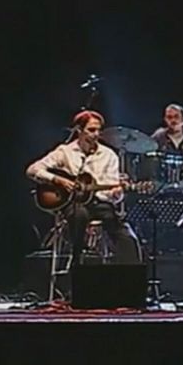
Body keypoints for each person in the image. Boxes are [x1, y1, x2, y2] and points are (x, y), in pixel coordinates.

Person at [26, 110, 142, 266]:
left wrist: (116, 194)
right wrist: (58, 180)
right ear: (79, 130)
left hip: (100, 204)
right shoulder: (65, 152)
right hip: (73, 204)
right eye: (91, 130)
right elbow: (32, 170)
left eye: (98, 130)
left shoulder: (109, 155)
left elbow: (112, 190)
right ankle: (77, 260)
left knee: (125, 235)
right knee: (79, 214)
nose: (96, 134)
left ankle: (131, 273)